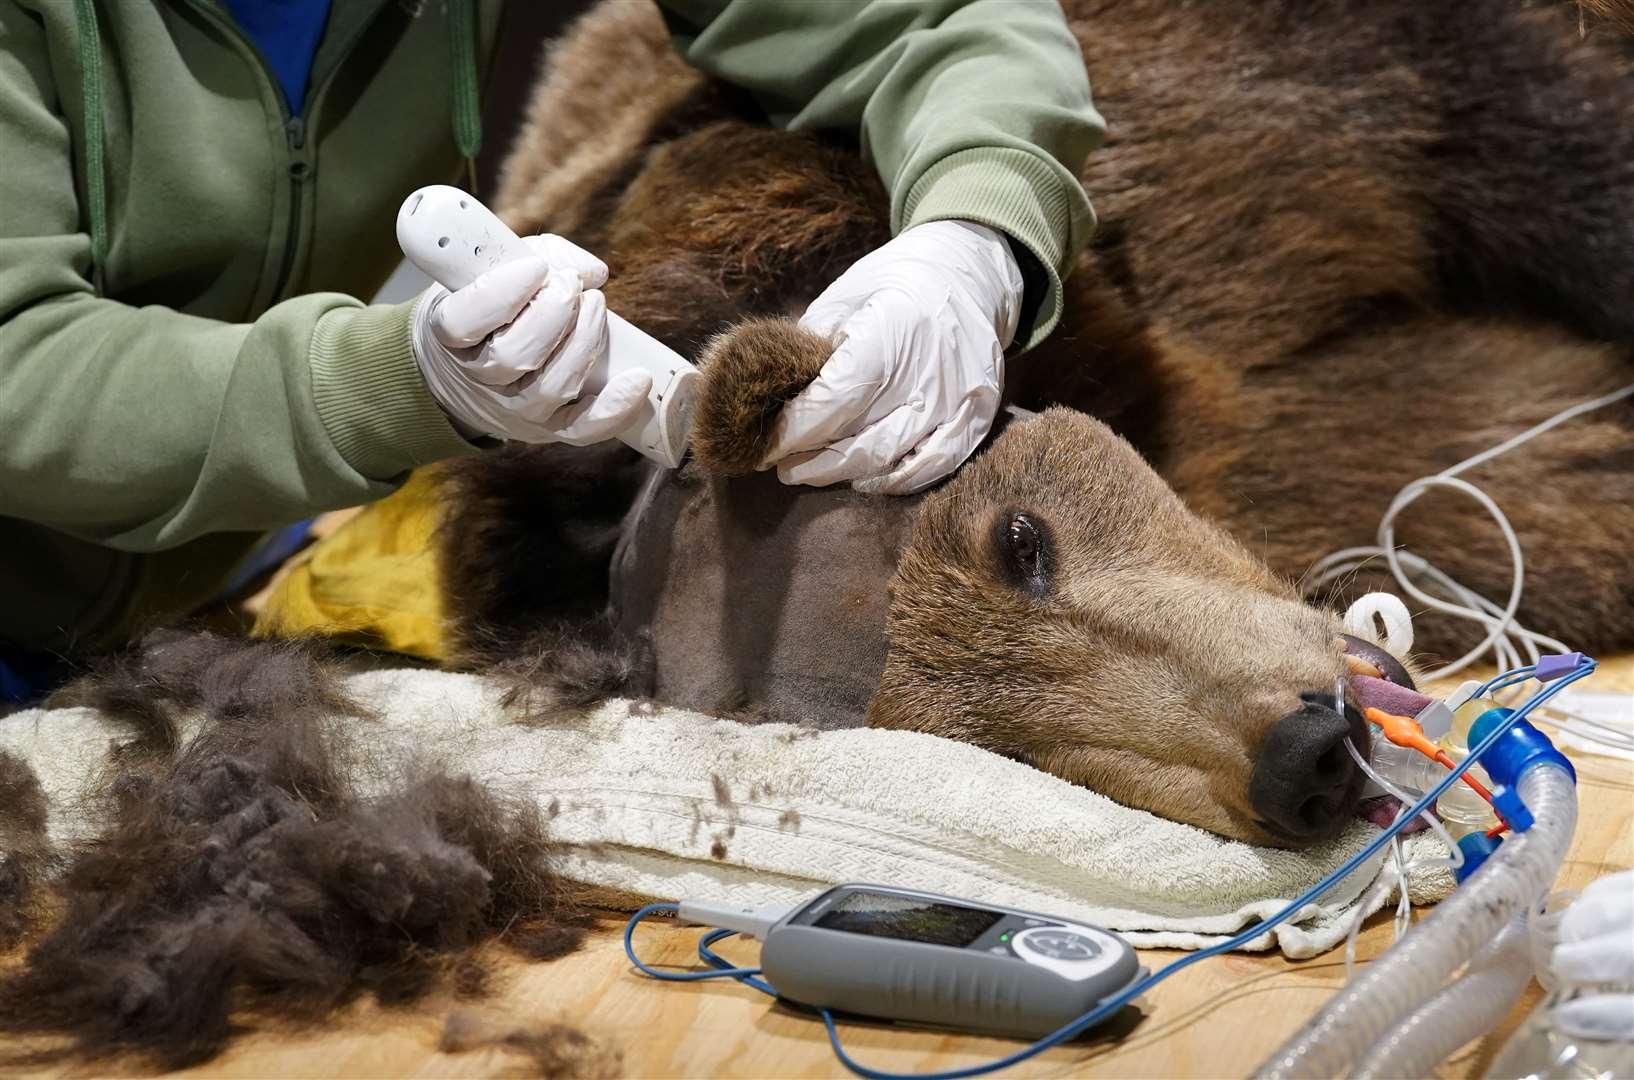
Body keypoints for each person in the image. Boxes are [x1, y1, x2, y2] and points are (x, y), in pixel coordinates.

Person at [0, 0, 1104, 678]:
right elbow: (20, 369)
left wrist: (974, 234)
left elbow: (929, 17)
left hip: (204, 594)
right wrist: (395, 379)